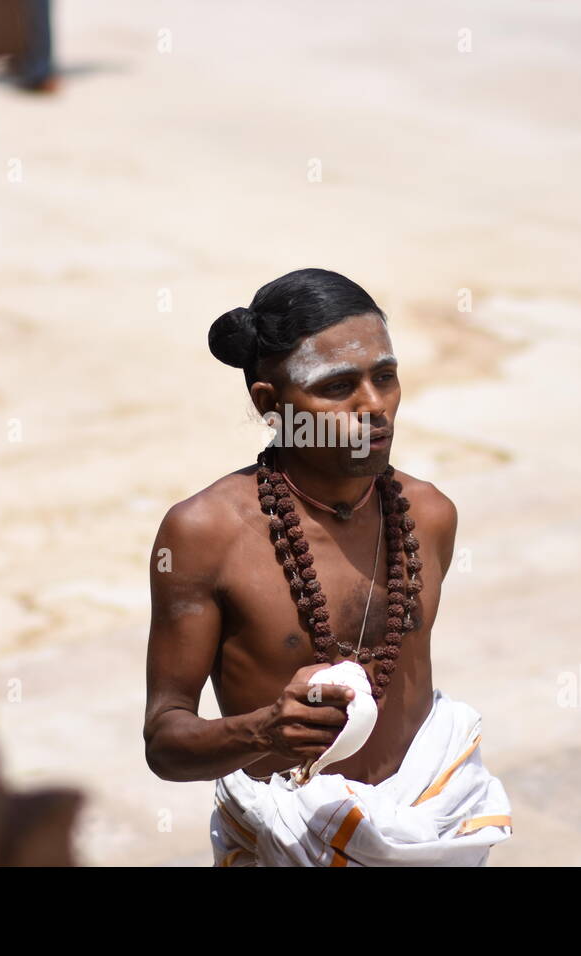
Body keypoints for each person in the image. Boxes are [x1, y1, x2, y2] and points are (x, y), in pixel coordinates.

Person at [142, 268, 512, 866]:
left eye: (386, 378)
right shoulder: (204, 534)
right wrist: (264, 731)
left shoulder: (430, 514)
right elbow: (165, 739)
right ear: (272, 405)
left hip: (428, 828)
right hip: (283, 842)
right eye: (338, 387)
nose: (374, 407)